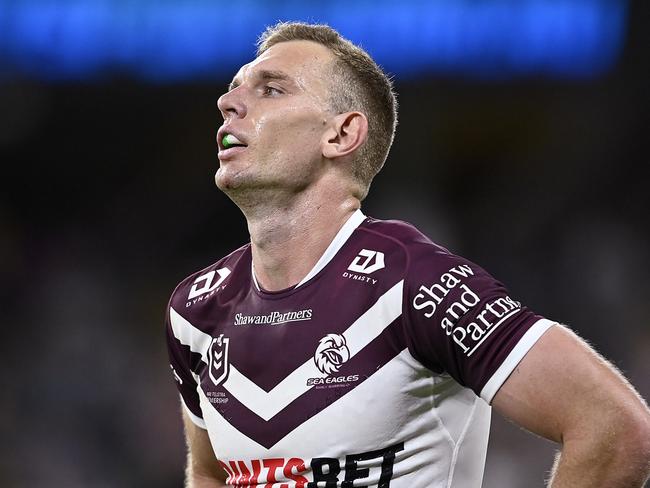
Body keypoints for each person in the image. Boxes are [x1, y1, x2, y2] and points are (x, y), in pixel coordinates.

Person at [165, 22, 650, 487]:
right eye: (233, 89)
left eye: (271, 90)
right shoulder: (196, 310)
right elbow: (212, 474)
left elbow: (615, 428)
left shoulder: (415, 283)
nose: (227, 103)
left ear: (340, 135)